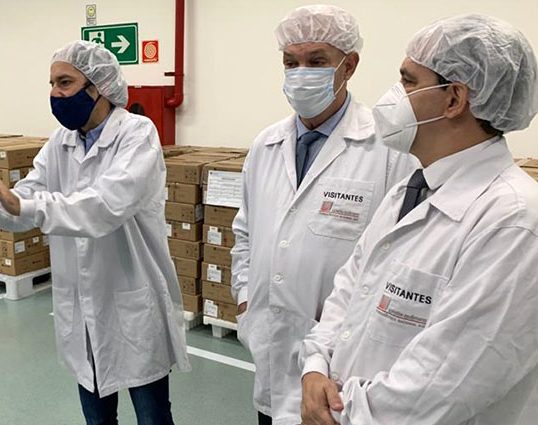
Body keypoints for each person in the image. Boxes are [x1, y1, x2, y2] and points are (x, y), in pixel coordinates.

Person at [0, 40, 190, 425]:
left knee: (152, 417)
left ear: (98, 86)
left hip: (133, 299)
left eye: (65, 82)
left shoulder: (136, 135)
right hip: (81, 307)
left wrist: (24, 205)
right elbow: (22, 207)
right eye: (51, 83)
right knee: (97, 419)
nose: (55, 93)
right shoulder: (59, 142)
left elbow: (104, 206)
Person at [299, 14, 538, 425]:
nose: (394, 95)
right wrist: (315, 367)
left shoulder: (512, 222)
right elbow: (349, 291)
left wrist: (335, 412)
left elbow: (442, 385)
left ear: (454, 99)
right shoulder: (409, 191)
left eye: (408, 82)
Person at [230, 5, 415, 424]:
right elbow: (246, 233)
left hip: (340, 364)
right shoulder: (265, 145)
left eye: (316, 62)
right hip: (271, 346)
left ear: (348, 66)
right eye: (290, 62)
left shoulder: (387, 149)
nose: (301, 74)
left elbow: (400, 256)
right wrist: (245, 300)